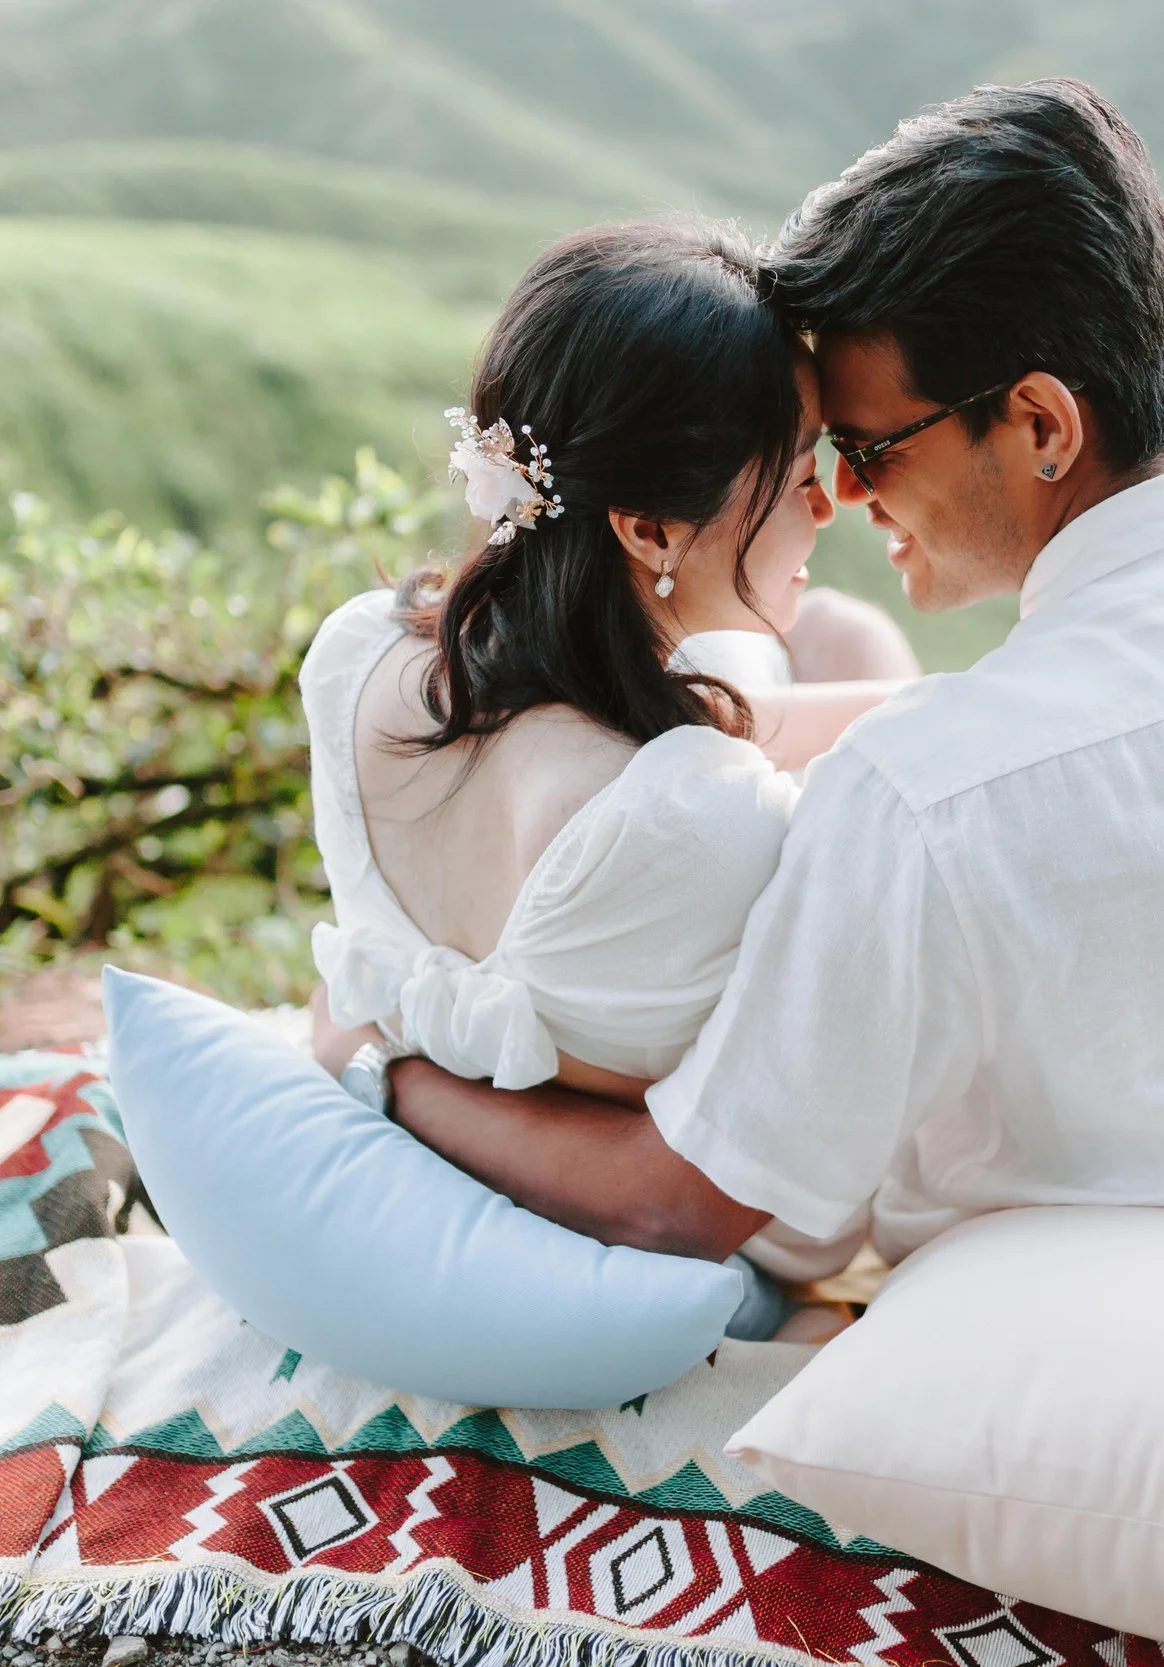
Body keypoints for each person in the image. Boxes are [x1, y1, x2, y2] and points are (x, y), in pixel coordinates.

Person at [315, 78, 1164, 1274]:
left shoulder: (922, 803)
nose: (842, 494)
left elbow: (684, 1204)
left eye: (867, 445)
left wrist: (384, 1061)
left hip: (1068, 1337)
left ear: (1042, 424)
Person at [299, 218, 908, 1330]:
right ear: (647, 525)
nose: (828, 503)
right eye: (798, 465)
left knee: (855, 650)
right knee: (856, 649)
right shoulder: (685, 815)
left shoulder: (353, 657)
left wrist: (913, 709)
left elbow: (691, 731)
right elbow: (749, 1201)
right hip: (763, 1227)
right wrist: (387, 1072)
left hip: (524, 971)